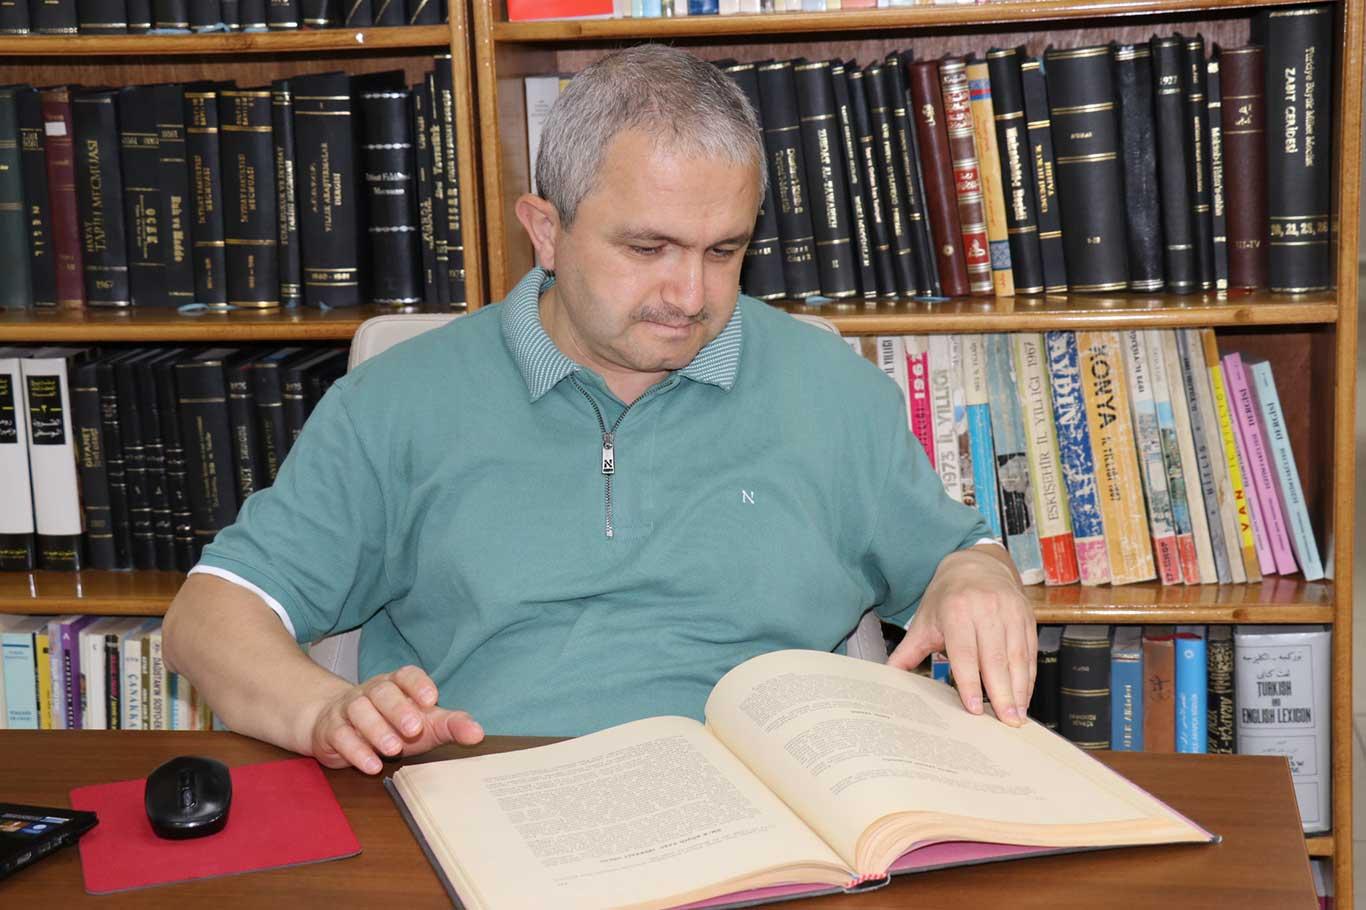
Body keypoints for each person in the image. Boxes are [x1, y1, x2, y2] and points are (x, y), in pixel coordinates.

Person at [163, 45, 1035, 776]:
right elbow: (209, 618)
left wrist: (978, 577)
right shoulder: (398, 401)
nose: (689, 295)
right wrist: (325, 713)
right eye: (648, 248)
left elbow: (957, 558)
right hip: (497, 801)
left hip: (770, 814)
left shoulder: (829, 389)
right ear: (546, 231)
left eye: (723, 251)